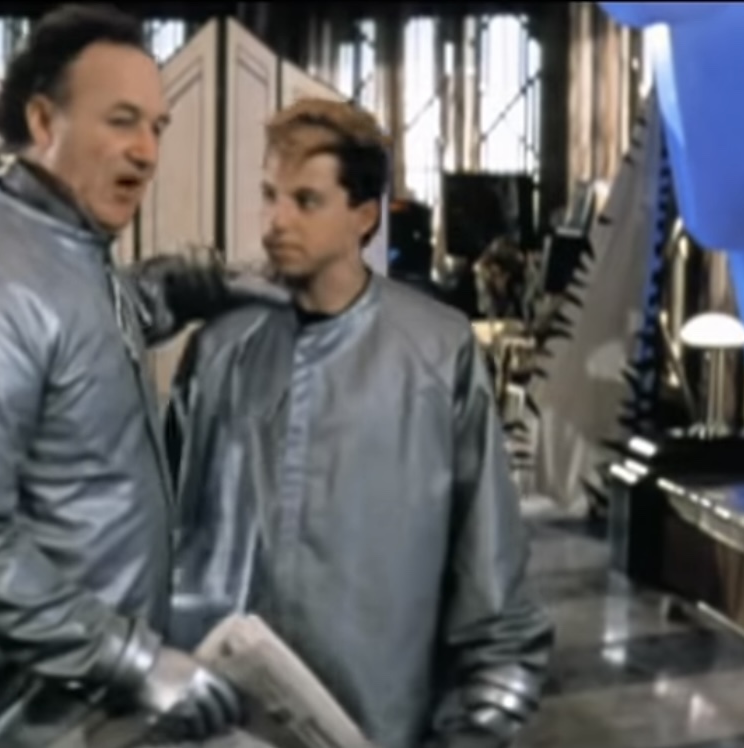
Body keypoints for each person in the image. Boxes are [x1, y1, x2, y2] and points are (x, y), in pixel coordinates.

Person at [0, 6, 248, 747]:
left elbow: (84, 332)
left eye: (157, 127)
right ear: (42, 120)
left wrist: (182, 289)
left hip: (88, 707)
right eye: (122, 122)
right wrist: (136, 661)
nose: (147, 152)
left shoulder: (63, 243)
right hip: (27, 723)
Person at [164, 98, 555, 748]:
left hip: (378, 723)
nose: (276, 221)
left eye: (306, 201)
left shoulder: (436, 353)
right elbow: (160, 539)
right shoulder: (220, 349)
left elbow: (494, 591)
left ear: (364, 215)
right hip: (221, 726)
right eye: (269, 195)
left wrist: (474, 727)